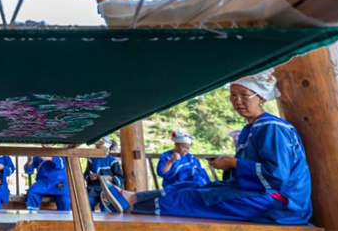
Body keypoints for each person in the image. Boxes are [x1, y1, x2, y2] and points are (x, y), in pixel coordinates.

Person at [100, 69, 312, 225]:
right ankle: (132, 197)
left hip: (280, 202)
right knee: (191, 186)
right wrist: (229, 165)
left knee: (196, 197)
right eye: (233, 95)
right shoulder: (251, 129)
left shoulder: (272, 127)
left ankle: (132, 204)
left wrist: (233, 163)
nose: (237, 101)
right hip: (262, 193)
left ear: (261, 98)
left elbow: (277, 176)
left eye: (244, 95)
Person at [84, 137, 124, 211]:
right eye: (97, 148)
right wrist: (90, 177)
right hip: (93, 188)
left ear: (107, 148)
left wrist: (110, 178)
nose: (97, 150)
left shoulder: (112, 160)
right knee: (88, 203)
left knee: (106, 207)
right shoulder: (91, 159)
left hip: (108, 189)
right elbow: (85, 175)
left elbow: (120, 178)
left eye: (100, 148)